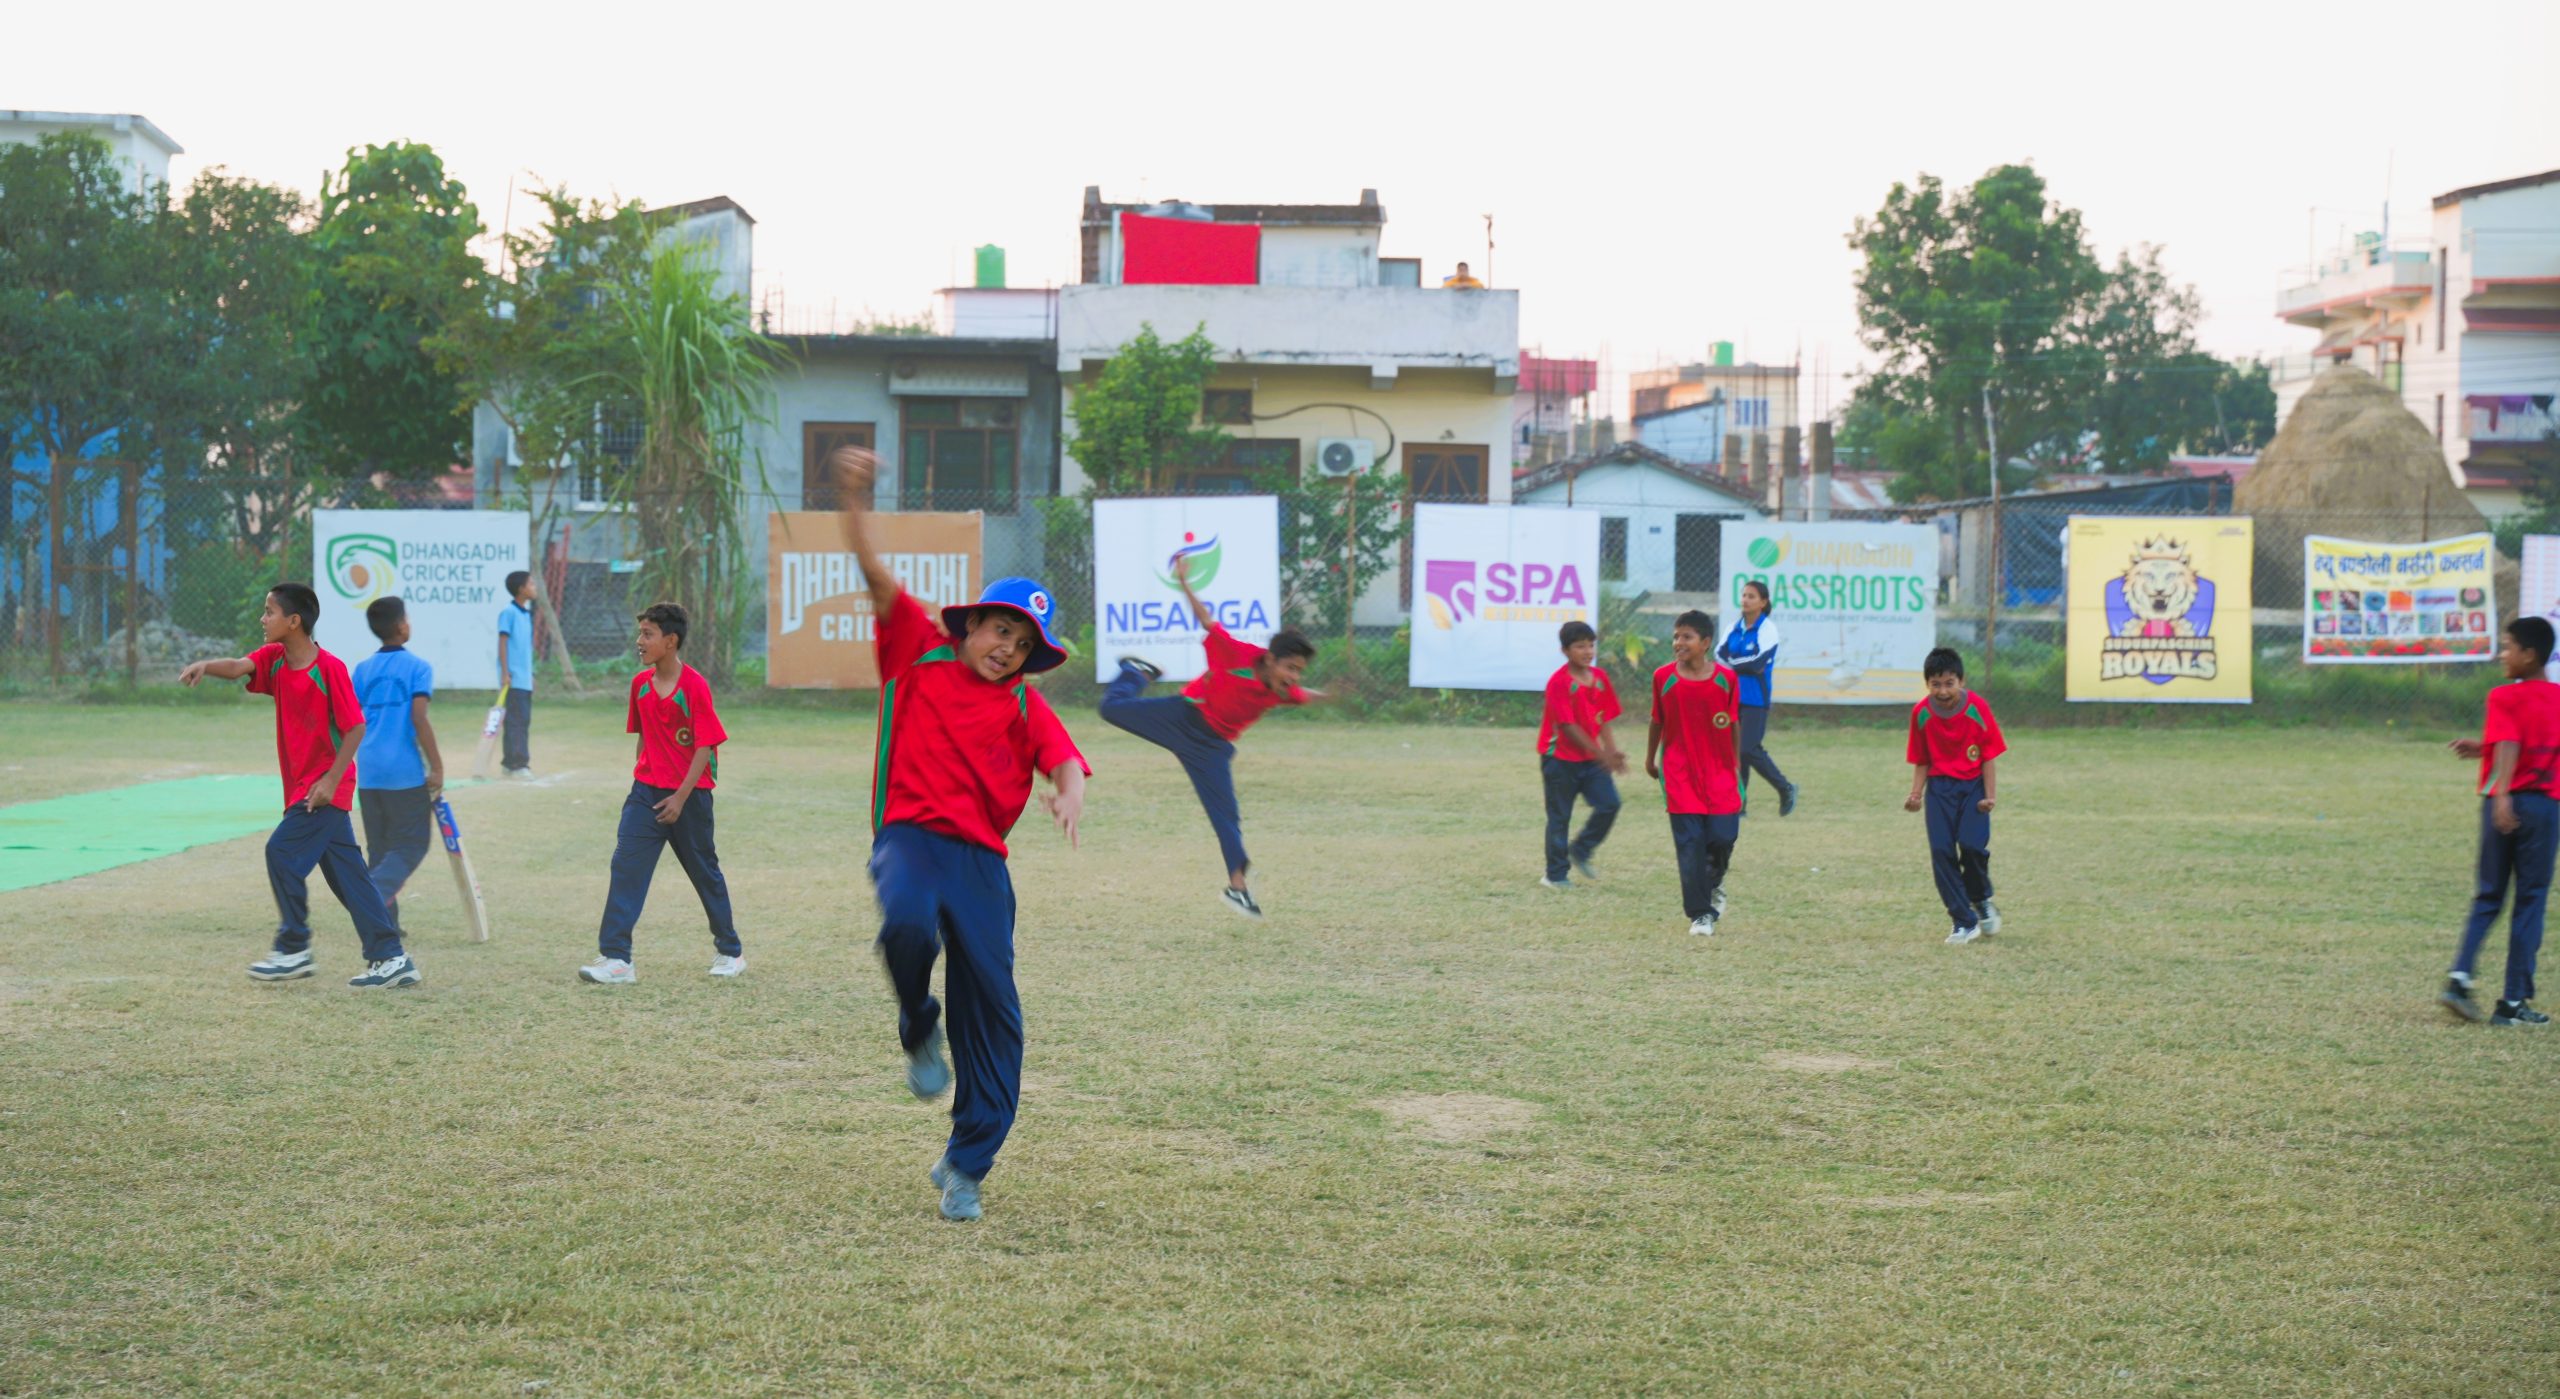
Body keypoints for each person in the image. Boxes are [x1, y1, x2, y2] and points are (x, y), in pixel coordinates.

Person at [834, 446, 1090, 1223]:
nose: (1006, 649)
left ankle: (966, 1162)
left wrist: (1069, 791)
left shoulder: (1021, 703)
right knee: (906, 926)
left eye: (1022, 644)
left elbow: (1065, 758)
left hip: (983, 863)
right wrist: (852, 499)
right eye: (999, 630)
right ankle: (918, 1025)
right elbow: (877, 578)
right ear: (971, 620)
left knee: (997, 1016)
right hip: (910, 837)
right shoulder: (917, 650)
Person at [178, 583, 419, 989]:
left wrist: (330, 780)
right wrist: (206, 665)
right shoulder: (274, 660)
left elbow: (356, 726)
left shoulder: (330, 669)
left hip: (322, 790)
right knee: (350, 879)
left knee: (281, 851)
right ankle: (391, 957)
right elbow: (239, 667)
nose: (263, 618)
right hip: (302, 788)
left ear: (294, 621)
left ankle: (294, 946)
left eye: (270, 611)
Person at [1098, 551, 1320, 919]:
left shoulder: (1282, 691)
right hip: (1184, 717)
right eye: (1291, 668)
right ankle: (1137, 672)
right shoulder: (1235, 654)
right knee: (1110, 709)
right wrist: (1184, 580)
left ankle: (1239, 890)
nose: (1295, 677)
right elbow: (1205, 619)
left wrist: (1335, 693)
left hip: (1212, 749)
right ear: (1269, 660)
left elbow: (1305, 696)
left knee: (1225, 817)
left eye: (1300, 671)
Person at [578, 603, 745, 985]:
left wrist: (680, 798)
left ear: (670, 641)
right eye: (640, 633)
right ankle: (618, 959)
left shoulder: (695, 686)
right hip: (646, 794)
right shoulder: (639, 685)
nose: (640, 641)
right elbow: (644, 737)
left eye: (648, 634)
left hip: (690, 798)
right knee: (625, 867)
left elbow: (705, 746)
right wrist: (642, 781)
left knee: (705, 873)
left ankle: (730, 951)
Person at [2439, 616, 2560, 1026]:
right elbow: (2532, 744)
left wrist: (2504, 792)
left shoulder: (2504, 697)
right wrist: (2486, 749)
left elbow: (2511, 741)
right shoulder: (2557, 699)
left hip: (2501, 803)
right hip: (2543, 809)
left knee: (2488, 895)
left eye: (2508, 647)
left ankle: (2459, 977)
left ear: (2530, 655)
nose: (2502, 654)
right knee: (2530, 900)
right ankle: (2512, 1002)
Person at [1645, 610, 1744, 936]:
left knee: (1723, 836)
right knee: (1690, 845)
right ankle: (1701, 914)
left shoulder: (1726, 679)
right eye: (1676, 636)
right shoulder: (1663, 677)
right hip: (1679, 773)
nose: (1678, 643)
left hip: (1719, 772)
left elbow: (1732, 723)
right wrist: (1650, 758)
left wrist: (1735, 763)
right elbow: (1657, 720)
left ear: (1705, 643)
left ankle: (1714, 881)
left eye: (1686, 637)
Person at [351, 597, 443, 933]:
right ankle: (370, 897)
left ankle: (385, 924)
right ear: (402, 626)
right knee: (412, 843)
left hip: (370, 770)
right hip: (403, 773)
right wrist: (437, 767)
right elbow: (419, 718)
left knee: (380, 846)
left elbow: (350, 721)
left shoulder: (362, 670)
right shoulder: (418, 667)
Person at [1904, 647, 2005, 946]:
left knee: (1972, 846)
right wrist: (1915, 794)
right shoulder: (1921, 713)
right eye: (1936, 684)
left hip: (1972, 787)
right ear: (1927, 685)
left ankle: (1981, 897)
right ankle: (1964, 922)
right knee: (1941, 852)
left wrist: (1990, 796)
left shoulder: (1977, 708)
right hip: (1939, 790)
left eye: (1949, 683)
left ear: (1961, 681)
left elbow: (1988, 755)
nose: (1943, 690)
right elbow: (1921, 758)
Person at [1536, 619, 1626, 889]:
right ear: (1565, 651)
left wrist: (1611, 751)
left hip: (1591, 760)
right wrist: (1601, 753)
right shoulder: (1559, 682)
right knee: (1559, 816)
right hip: (1559, 759)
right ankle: (1555, 875)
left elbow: (1605, 717)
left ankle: (1581, 849)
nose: (1587, 652)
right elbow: (1568, 726)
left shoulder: (1600, 679)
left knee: (1610, 803)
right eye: (1579, 647)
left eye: (1591, 645)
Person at [1716, 579, 1798, 816]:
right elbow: (1719, 654)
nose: (1745, 600)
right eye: (1743, 595)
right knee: (1735, 751)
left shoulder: (1767, 629)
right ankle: (1738, 806)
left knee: (1748, 748)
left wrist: (1733, 664)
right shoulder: (1733, 627)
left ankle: (1785, 788)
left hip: (1755, 698)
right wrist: (1737, 664)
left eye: (1752, 596)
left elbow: (1758, 664)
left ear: (1763, 602)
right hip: (1732, 697)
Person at [495, 569, 537, 777]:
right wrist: (505, 672)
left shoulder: (526, 614)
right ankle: (518, 764)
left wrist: (531, 674)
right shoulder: (508, 613)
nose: (534, 587)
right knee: (516, 721)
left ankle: (510, 763)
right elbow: (502, 643)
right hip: (512, 678)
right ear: (521, 589)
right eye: (531, 584)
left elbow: (524, 649)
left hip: (524, 679)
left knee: (520, 719)